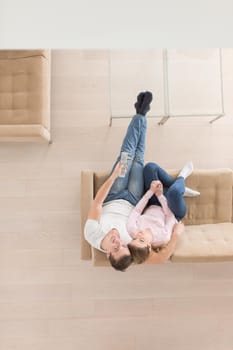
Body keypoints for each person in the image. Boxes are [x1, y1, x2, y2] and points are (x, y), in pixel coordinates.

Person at [84, 91, 153, 271]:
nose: (119, 242)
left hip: (113, 195)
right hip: (132, 199)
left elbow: (97, 202)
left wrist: (114, 176)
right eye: (123, 246)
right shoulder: (129, 243)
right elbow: (150, 249)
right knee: (139, 159)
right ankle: (141, 114)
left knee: (127, 155)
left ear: (108, 254)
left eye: (115, 247)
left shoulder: (92, 235)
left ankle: (140, 113)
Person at [127, 161, 199, 264]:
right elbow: (169, 215)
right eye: (141, 240)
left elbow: (137, 210)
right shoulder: (162, 237)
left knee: (150, 167)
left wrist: (151, 192)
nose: (139, 235)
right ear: (149, 246)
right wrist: (160, 196)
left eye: (134, 239)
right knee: (173, 193)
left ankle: (180, 188)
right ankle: (181, 178)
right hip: (173, 212)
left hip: (153, 201)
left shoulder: (132, 229)